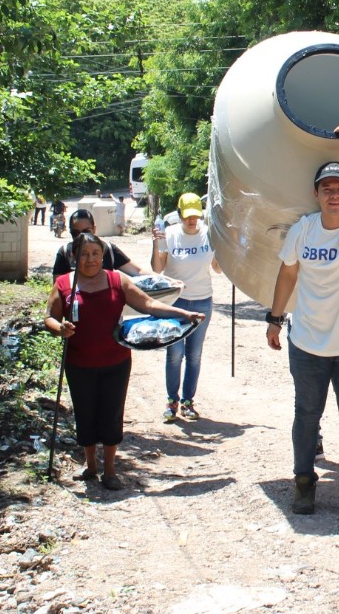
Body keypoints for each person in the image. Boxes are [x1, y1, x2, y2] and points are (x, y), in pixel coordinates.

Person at [266, 121, 339, 520]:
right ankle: (303, 486)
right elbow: (287, 274)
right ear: (316, 194)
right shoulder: (303, 229)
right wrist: (275, 319)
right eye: (327, 188)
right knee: (305, 418)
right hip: (308, 347)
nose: (335, 194)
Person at [44, 232, 206, 490]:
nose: (90, 259)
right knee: (85, 414)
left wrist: (184, 313)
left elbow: (150, 305)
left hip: (115, 362)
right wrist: (58, 327)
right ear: (75, 256)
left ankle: (110, 470)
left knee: (111, 413)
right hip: (79, 362)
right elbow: (49, 316)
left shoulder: (117, 280)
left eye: (95, 254)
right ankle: (90, 465)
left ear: (103, 256)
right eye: (84, 254)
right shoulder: (65, 284)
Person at [151, 192, 223, 422]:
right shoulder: (170, 235)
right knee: (175, 353)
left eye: (196, 216)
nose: (192, 221)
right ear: (180, 214)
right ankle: (171, 401)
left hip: (202, 301)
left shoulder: (208, 235)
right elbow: (157, 268)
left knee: (194, 354)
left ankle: (188, 402)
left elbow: (218, 269)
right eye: (187, 216)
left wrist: (225, 246)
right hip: (176, 302)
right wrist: (156, 244)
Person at [52, 208, 147, 279]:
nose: (82, 237)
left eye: (86, 232)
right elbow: (57, 292)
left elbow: (137, 271)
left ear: (94, 229)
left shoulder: (108, 249)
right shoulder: (65, 253)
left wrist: (159, 279)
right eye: (76, 233)